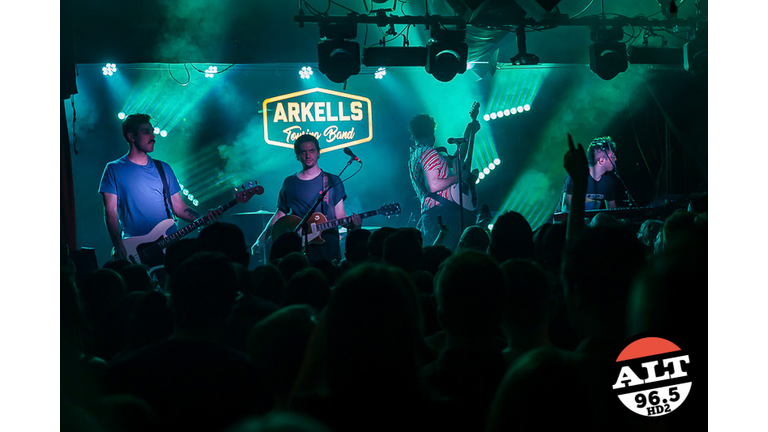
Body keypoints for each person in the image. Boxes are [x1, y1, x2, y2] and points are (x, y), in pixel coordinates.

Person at [99, 113, 221, 262]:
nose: (153, 136)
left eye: (152, 131)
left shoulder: (164, 168)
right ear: (131, 136)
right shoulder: (113, 169)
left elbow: (179, 208)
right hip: (135, 248)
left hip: (169, 245)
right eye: (146, 131)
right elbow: (110, 211)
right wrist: (118, 244)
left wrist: (203, 219)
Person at [254, 134, 360, 264]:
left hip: (327, 250)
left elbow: (340, 216)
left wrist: (354, 225)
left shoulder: (332, 180)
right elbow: (279, 215)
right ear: (297, 156)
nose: (308, 156)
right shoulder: (289, 182)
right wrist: (261, 239)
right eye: (303, 152)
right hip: (298, 251)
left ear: (318, 153)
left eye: (311, 151)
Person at [407, 114, 477, 250]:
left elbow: (457, 158)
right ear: (432, 132)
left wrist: (468, 131)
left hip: (431, 214)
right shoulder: (428, 153)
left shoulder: (415, 155)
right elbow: (434, 186)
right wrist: (460, 177)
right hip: (441, 214)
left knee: (441, 256)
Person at [560, 136, 619, 212]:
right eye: (612, 156)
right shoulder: (575, 177)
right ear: (601, 161)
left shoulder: (608, 181)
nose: (615, 159)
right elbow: (565, 209)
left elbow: (612, 209)